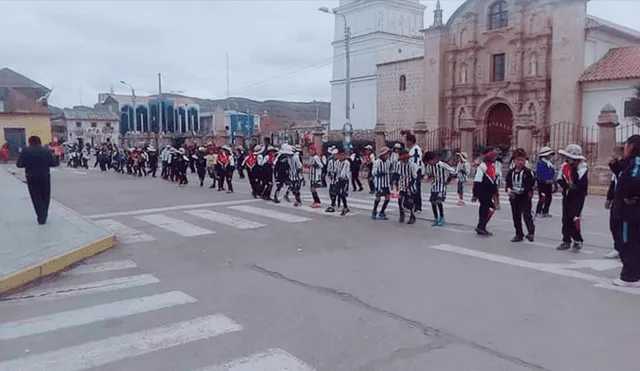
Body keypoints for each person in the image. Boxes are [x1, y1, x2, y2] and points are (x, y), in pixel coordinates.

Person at [609, 135, 640, 287]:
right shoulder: (629, 163)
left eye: (626, 145)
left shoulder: (637, 162)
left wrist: (630, 195)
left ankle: (630, 276)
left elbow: (633, 181)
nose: (624, 149)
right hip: (624, 210)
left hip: (630, 212)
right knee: (626, 240)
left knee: (628, 241)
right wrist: (615, 166)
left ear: (633, 146)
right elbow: (623, 176)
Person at [16, 136, 59, 225]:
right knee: (45, 196)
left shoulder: (25, 151)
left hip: (31, 177)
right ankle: (44, 215)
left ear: (29, 142)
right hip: (44, 176)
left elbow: (19, 164)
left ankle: (40, 216)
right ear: (40, 141)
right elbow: (54, 163)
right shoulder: (46, 150)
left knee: (35, 197)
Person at [555, 144, 588, 252]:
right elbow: (560, 179)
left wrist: (574, 183)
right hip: (567, 195)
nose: (567, 160)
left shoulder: (582, 168)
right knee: (565, 218)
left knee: (573, 218)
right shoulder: (564, 166)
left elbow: (581, 184)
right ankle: (566, 240)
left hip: (578, 197)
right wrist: (566, 186)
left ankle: (578, 240)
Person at [505, 148, 536, 242]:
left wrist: (524, 191)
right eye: (518, 160)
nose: (520, 162)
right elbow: (508, 183)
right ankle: (519, 234)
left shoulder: (527, 172)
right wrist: (510, 192)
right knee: (516, 216)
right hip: (514, 197)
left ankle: (531, 233)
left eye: (522, 160)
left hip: (524, 197)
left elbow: (531, 184)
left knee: (527, 215)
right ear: (514, 160)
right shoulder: (511, 172)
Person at [423, 151, 456, 226]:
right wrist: (429, 177)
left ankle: (442, 217)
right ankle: (435, 218)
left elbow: (453, 171)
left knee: (438, 201)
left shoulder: (441, 164)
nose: (429, 163)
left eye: (429, 161)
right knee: (432, 202)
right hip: (434, 186)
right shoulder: (430, 166)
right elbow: (429, 174)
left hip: (441, 186)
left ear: (433, 159)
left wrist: (448, 180)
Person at [472, 150, 499, 236]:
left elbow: (493, 180)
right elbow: (477, 181)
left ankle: (481, 226)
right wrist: (475, 194)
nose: (495, 159)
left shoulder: (492, 167)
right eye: (494, 157)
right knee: (489, 208)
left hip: (488, 192)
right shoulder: (482, 167)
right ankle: (481, 226)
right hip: (482, 192)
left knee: (485, 209)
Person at [397, 149, 418, 225]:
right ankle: (401, 214)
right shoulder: (399, 164)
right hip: (402, 185)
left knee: (410, 201)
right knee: (400, 200)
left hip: (410, 185)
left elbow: (414, 176)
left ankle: (412, 216)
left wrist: (410, 184)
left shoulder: (412, 165)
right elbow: (397, 174)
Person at [405, 132, 423, 212]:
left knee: (414, 188)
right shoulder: (413, 149)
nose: (406, 143)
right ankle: (412, 205)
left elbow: (410, 158)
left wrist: (400, 158)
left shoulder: (415, 149)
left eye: (406, 141)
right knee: (412, 187)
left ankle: (417, 206)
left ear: (410, 141)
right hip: (414, 170)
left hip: (416, 170)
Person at [371, 146, 391, 220]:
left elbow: (388, 171)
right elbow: (373, 172)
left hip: (386, 183)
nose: (387, 156)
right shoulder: (377, 162)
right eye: (386, 154)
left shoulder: (388, 162)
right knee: (378, 198)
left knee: (387, 198)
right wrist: (381, 173)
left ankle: (382, 211)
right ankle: (374, 211)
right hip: (379, 183)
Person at [535, 146, 556, 217]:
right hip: (542, 183)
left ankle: (545, 211)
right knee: (542, 197)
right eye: (549, 154)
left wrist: (552, 180)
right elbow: (539, 174)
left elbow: (552, 173)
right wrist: (545, 180)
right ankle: (538, 211)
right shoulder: (541, 163)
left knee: (549, 198)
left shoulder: (549, 163)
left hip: (549, 183)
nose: (550, 156)